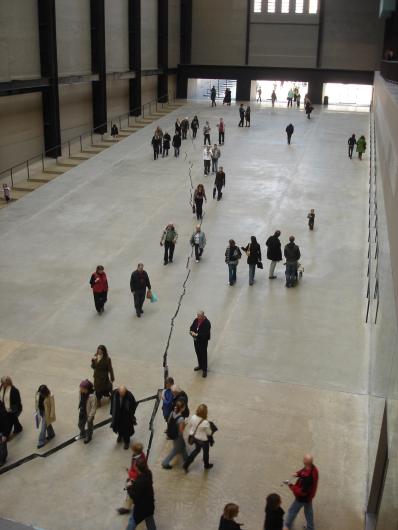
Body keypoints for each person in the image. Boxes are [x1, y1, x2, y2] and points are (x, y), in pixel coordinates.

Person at [283, 454, 319, 530]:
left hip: (302, 498)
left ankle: (287, 526)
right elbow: (303, 471)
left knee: (292, 511)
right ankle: (310, 528)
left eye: (304, 459)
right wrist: (297, 474)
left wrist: (290, 485)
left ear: (306, 462)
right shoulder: (312, 467)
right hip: (309, 497)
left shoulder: (309, 478)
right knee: (308, 512)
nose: (302, 459)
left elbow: (302, 492)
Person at [117, 442, 147, 515]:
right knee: (131, 492)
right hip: (133, 477)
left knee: (131, 492)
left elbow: (138, 472)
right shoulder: (136, 456)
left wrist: (129, 472)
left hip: (136, 479)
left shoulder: (140, 460)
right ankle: (128, 506)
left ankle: (128, 508)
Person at [126, 460, 157, 530]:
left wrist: (129, 487)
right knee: (149, 520)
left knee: (132, 521)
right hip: (149, 504)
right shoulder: (149, 473)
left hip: (141, 508)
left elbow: (134, 496)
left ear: (137, 468)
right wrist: (134, 483)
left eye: (135, 466)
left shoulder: (139, 482)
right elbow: (142, 486)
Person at [183, 403, 213, 471]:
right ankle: (206, 465)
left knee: (196, 451)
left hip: (195, 438)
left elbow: (190, 425)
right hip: (203, 440)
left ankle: (186, 464)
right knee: (205, 453)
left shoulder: (193, 417)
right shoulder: (205, 422)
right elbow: (209, 433)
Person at [162, 400, 188, 469]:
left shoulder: (172, 413)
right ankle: (165, 462)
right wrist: (185, 424)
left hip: (172, 434)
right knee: (176, 450)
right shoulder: (181, 419)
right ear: (182, 408)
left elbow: (169, 421)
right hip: (178, 437)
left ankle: (187, 460)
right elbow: (181, 431)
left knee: (183, 447)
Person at [110, 385, 137, 449]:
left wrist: (131, 414)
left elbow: (134, 405)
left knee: (126, 430)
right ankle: (120, 435)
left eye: (123, 393)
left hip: (126, 416)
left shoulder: (129, 396)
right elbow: (112, 403)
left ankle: (126, 442)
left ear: (126, 391)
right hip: (117, 415)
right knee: (118, 427)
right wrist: (112, 412)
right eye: (121, 393)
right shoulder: (115, 394)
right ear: (118, 391)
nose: (122, 395)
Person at [189, 311, 211, 377]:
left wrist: (197, 335)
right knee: (198, 353)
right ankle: (200, 366)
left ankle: (204, 370)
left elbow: (205, 334)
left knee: (203, 355)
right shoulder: (196, 320)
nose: (198, 317)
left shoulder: (207, 323)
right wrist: (191, 332)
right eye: (197, 316)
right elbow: (192, 327)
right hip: (196, 341)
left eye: (199, 316)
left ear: (203, 316)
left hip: (203, 342)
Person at [76, 379, 97, 444]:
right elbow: (80, 399)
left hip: (89, 414)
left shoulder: (92, 396)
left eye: (82, 388)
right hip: (82, 411)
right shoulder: (81, 392)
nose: (80, 389)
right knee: (80, 424)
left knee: (89, 426)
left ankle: (89, 436)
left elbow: (93, 408)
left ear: (86, 389)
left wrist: (90, 416)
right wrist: (80, 406)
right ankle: (82, 434)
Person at [35, 385, 56, 449]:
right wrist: (36, 409)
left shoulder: (50, 396)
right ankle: (51, 434)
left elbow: (52, 406)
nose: (40, 393)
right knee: (47, 423)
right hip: (40, 411)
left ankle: (41, 441)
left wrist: (51, 415)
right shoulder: (38, 393)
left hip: (46, 413)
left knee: (43, 427)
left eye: (41, 392)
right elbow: (36, 401)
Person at [0, 400, 8, 466]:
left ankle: (2, 460)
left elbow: (5, 424)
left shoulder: (2, 412)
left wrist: (4, 435)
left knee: (3, 447)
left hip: (2, 433)